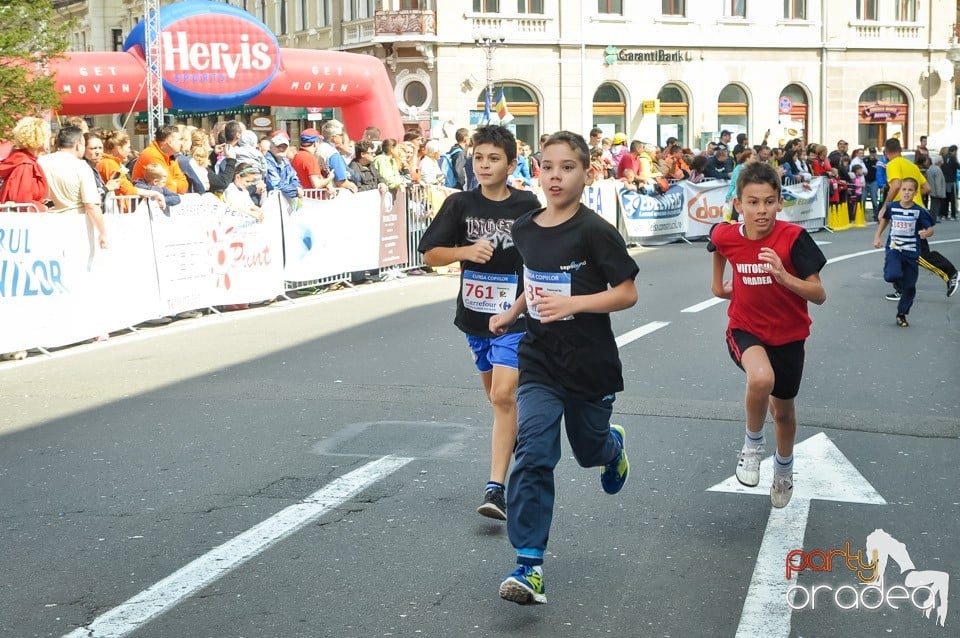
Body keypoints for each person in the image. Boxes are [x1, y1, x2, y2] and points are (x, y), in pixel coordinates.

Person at [488, 131, 638, 605]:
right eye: (548, 166)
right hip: (539, 358)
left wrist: (574, 301)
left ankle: (612, 448)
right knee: (533, 450)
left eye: (567, 167)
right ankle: (528, 565)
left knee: (588, 449)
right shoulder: (527, 226)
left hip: (589, 364)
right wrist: (512, 313)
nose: (555, 175)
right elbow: (531, 279)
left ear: (586, 173)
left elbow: (627, 293)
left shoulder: (595, 231)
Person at [418, 125, 540, 524]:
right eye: (479, 158)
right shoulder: (460, 204)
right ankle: (514, 439)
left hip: (516, 317)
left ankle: (496, 489)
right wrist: (466, 250)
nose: (485, 165)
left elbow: (542, 255)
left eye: (494, 158)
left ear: (511, 164)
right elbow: (430, 254)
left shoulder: (526, 204)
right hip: (475, 317)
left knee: (505, 396)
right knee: (496, 400)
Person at [708, 162, 827, 509]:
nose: (761, 210)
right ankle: (751, 446)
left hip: (789, 337)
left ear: (780, 203)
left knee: (784, 413)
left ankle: (784, 469)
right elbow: (716, 242)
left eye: (769, 201)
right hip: (745, 328)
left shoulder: (793, 239)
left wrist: (783, 276)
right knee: (761, 379)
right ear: (738, 204)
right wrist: (718, 287)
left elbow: (818, 294)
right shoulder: (727, 234)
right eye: (753, 202)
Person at [873, 177, 935, 326]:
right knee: (891, 275)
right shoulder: (892, 207)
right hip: (894, 249)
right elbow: (885, 220)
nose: (906, 193)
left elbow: (930, 228)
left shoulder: (919, 211)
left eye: (910, 190)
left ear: (915, 192)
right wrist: (877, 237)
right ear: (899, 191)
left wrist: (926, 233)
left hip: (912, 252)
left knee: (910, 287)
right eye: (904, 190)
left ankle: (902, 314)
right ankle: (899, 283)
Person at [38, 126, 108, 249]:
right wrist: (103, 232)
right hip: (75, 224)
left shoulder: (41, 161)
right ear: (78, 145)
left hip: (46, 223)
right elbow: (91, 205)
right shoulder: (81, 166)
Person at [0, 117, 50, 211]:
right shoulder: (25, 165)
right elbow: (22, 202)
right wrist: (42, 207)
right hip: (22, 223)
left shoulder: (21, 161)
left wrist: (39, 203)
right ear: (39, 139)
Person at [132, 124, 188, 194]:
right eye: (180, 139)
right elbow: (167, 186)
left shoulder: (171, 156)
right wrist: (174, 184)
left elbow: (184, 185)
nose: (182, 143)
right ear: (170, 142)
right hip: (147, 202)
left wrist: (173, 184)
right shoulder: (152, 155)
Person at [263, 130, 303, 199]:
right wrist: (295, 191)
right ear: (271, 147)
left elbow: (294, 178)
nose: (281, 149)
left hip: (285, 202)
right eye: (279, 146)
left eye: (284, 147)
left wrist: (298, 187)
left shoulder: (286, 162)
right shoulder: (266, 162)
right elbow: (275, 184)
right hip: (270, 202)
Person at [292, 128, 332, 192]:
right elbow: (317, 185)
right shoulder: (310, 158)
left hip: (303, 198)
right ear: (315, 143)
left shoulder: (297, 156)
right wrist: (330, 178)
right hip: (313, 200)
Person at [941, 145, 958, 221]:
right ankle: (953, 215)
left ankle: (944, 214)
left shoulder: (944, 157)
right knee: (953, 199)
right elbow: (958, 166)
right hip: (952, 181)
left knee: (945, 199)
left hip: (945, 181)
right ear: (954, 150)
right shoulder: (953, 157)